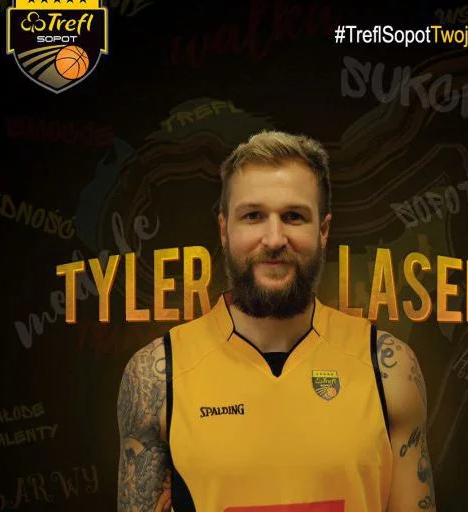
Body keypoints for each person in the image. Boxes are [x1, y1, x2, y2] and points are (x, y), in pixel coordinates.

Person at [117, 130, 437, 511]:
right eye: (253, 216)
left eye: (293, 216)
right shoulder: (156, 376)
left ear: (323, 231)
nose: (273, 238)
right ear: (224, 229)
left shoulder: (388, 369)